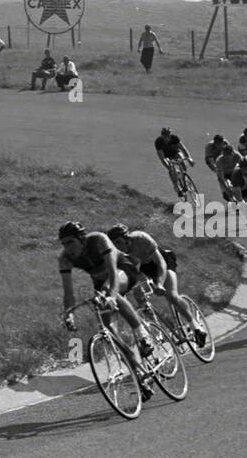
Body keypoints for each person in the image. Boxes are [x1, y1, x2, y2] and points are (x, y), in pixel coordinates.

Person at [57, 221, 155, 398]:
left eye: (70, 242)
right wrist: (69, 313)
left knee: (111, 293)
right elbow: (68, 293)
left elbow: (112, 272)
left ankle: (141, 334)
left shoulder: (99, 240)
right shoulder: (65, 259)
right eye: (63, 243)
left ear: (81, 238)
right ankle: (139, 373)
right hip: (101, 282)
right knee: (109, 330)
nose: (67, 247)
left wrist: (111, 295)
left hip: (124, 268)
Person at [106, 224, 207, 346]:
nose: (117, 246)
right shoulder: (117, 253)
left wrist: (159, 283)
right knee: (139, 295)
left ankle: (196, 327)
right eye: (114, 244)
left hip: (161, 261)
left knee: (172, 295)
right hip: (142, 268)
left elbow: (161, 263)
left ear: (126, 238)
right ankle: (157, 330)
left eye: (118, 242)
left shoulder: (141, 239)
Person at [154, 127, 193, 196]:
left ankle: (184, 182)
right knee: (171, 168)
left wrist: (189, 158)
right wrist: (169, 168)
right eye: (165, 136)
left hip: (175, 153)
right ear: (162, 136)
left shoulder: (174, 138)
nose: (167, 138)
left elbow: (183, 149)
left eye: (168, 135)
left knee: (182, 161)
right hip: (166, 156)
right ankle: (176, 187)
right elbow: (162, 158)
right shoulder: (158, 142)